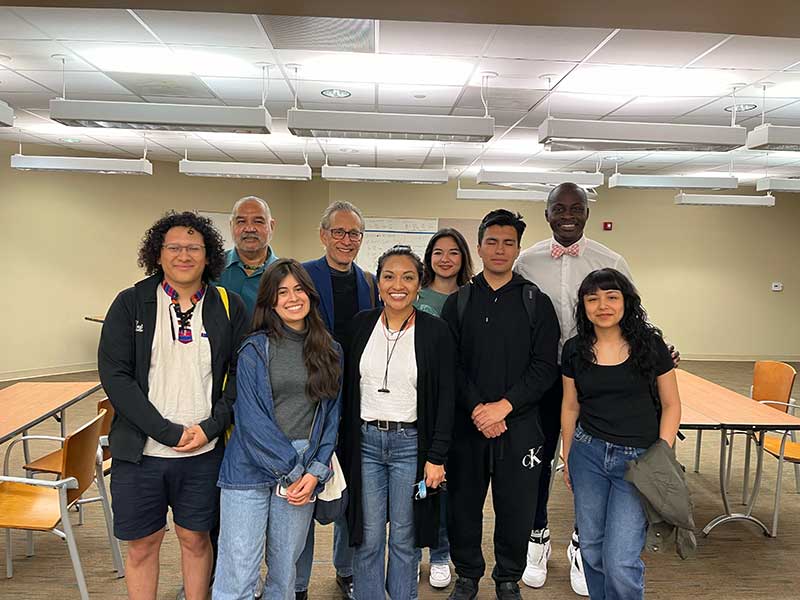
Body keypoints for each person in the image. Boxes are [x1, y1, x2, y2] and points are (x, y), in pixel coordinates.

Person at [514, 182, 678, 595]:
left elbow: (630, 311)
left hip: (604, 376)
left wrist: (655, 351)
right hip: (546, 377)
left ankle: (579, 542)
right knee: (545, 461)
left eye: (576, 208)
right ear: (547, 213)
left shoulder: (610, 260)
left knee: (600, 484)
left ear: (586, 213)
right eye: (559, 208)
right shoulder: (526, 260)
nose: (567, 215)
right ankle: (538, 535)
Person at [98, 211, 248, 600]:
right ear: (158, 254)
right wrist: (166, 431)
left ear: (209, 255)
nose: (184, 255)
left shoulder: (228, 306)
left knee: (196, 539)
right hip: (140, 453)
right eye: (175, 247)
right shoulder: (130, 303)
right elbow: (116, 378)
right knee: (143, 544)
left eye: (193, 248)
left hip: (204, 453)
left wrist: (210, 428)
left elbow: (240, 377)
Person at [441, 210, 560, 600]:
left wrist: (504, 407)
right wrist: (479, 409)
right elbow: (450, 364)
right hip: (468, 426)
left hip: (520, 426)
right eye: (492, 242)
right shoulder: (458, 302)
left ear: (518, 249)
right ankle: (468, 575)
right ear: (478, 247)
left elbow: (545, 367)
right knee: (463, 505)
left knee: (516, 506)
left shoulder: (535, 302)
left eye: (508, 242)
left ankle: (508, 577)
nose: (499, 249)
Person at [212, 259, 343, 600]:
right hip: (250, 469)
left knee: (284, 575)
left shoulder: (330, 351)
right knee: (238, 573)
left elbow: (331, 419)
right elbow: (251, 420)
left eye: (298, 289)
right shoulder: (255, 348)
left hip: (303, 470)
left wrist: (315, 472)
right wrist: (294, 470)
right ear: (271, 301)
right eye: (282, 292)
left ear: (310, 295)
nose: (292, 297)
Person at [339, 245, 455, 600]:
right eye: (389, 276)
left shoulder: (436, 332)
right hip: (365, 443)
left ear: (420, 283)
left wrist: (437, 457)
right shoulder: (360, 325)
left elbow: (447, 398)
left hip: (411, 445)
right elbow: (345, 389)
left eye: (408, 277)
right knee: (369, 535)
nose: (397, 285)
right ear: (378, 284)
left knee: (405, 537)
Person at [561, 268, 681, 600]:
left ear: (626, 302)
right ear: (583, 305)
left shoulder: (650, 345)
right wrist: (567, 455)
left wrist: (662, 453)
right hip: (588, 456)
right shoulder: (574, 349)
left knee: (621, 561)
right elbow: (571, 406)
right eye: (593, 298)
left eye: (611, 297)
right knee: (593, 551)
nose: (603, 305)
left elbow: (671, 405)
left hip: (638, 462)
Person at [298, 201, 380, 599]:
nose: (347, 240)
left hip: (354, 400)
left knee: (351, 489)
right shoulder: (304, 277)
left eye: (354, 234)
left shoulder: (367, 281)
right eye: (339, 232)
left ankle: (346, 569)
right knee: (301, 491)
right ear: (323, 234)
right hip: (311, 399)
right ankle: (297, 581)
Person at [413, 227, 473, 589]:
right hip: (416, 403)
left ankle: (440, 554)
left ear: (464, 257)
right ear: (429, 257)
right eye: (438, 252)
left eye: (454, 252)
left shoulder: (472, 298)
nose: (446, 259)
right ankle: (412, 551)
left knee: (447, 485)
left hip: (458, 404)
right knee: (416, 481)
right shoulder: (415, 296)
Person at [218, 195, 278, 316]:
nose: (250, 228)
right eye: (241, 221)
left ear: (271, 226)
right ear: (231, 226)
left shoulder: (286, 273)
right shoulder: (211, 267)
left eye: (258, 221)